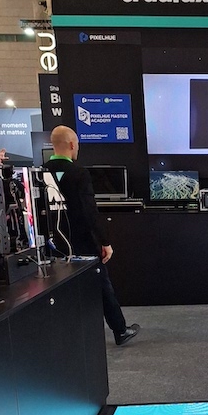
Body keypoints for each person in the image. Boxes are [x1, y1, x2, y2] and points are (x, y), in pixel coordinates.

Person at [46, 125, 139, 346]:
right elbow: (90, 211)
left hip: (51, 243)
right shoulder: (79, 173)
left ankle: (61, 336)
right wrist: (104, 241)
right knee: (102, 283)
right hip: (82, 241)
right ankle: (120, 330)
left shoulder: (40, 172)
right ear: (72, 145)